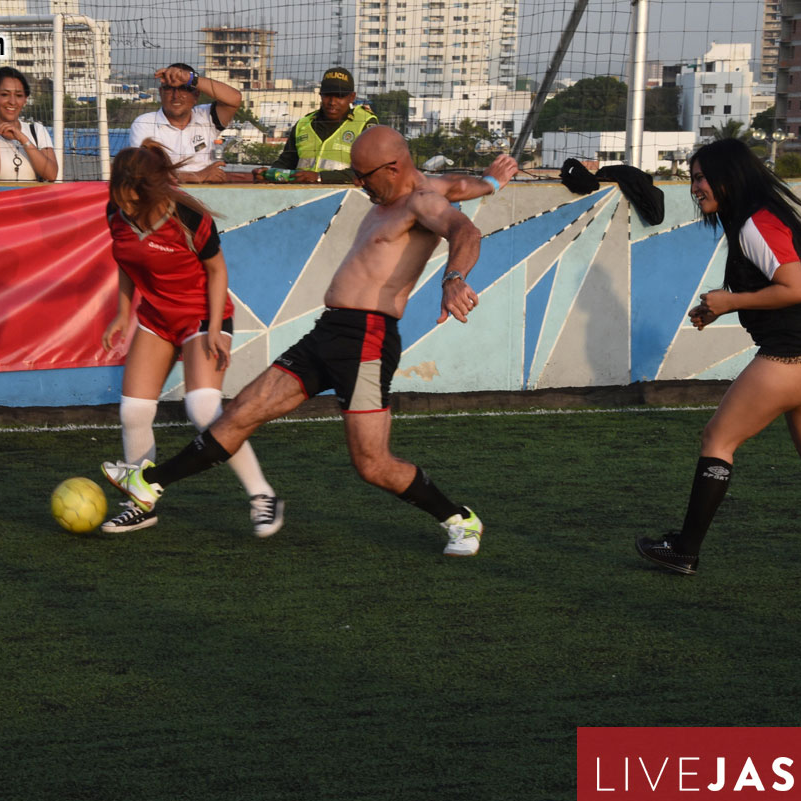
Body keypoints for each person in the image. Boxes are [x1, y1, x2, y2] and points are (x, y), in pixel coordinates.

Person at [102, 127, 519, 556]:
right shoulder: (406, 190)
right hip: (328, 331)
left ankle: (459, 519)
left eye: (364, 175)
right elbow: (462, 186)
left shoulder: (421, 201)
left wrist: (453, 279)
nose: (358, 184)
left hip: (367, 340)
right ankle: (150, 484)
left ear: (394, 168)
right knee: (241, 412)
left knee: (372, 464)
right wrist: (490, 182)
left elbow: (463, 230)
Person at [636, 138, 801, 579]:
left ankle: (683, 550)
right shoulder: (754, 220)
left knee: (717, 441)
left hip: (797, 355)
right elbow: (784, 289)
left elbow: (794, 289)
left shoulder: (754, 223)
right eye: (692, 179)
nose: (694, 188)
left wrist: (731, 301)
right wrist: (721, 305)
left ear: (727, 177)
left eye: (700, 178)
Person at [101, 140, 283, 536]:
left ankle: (262, 495)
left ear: (150, 190)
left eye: (132, 198)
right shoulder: (116, 210)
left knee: (202, 410)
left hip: (202, 315)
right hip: (156, 318)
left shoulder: (186, 215)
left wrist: (215, 329)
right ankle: (140, 503)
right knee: (133, 412)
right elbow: (126, 261)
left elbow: (217, 272)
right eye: (119, 196)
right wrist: (122, 312)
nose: (125, 206)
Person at [252, 67, 378, 184]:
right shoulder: (303, 125)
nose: (332, 102)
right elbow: (286, 162)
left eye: (339, 96)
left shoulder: (365, 123)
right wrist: (269, 174)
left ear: (352, 97)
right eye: (327, 95)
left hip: (345, 199)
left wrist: (319, 177)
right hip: (302, 199)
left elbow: (369, 171)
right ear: (320, 95)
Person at [127, 63, 242, 184]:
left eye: (184, 88)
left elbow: (235, 99)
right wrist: (197, 176)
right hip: (163, 195)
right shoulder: (144, 123)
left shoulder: (207, 117)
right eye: (170, 89)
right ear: (160, 93)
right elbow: (143, 172)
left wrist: (190, 78)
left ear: (196, 95)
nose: (176, 96)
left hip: (205, 193)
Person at [0, 66, 58, 182]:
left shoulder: (37, 131)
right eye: (4, 94)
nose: (12, 102)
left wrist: (22, 138)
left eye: (18, 95)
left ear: (25, 100)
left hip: (30, 200)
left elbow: (51, 174)